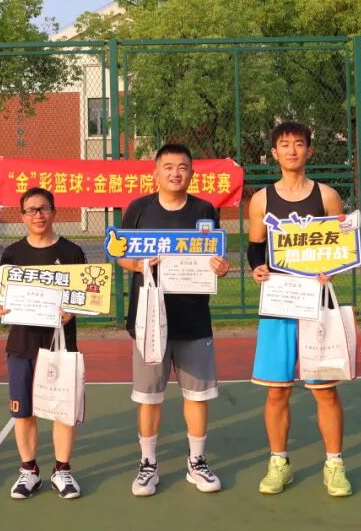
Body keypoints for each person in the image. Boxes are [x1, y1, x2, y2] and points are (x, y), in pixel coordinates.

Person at [116, 144, 231, 497]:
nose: (175, 173)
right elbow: (121, 255)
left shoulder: (204, 210)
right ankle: (148, 464)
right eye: (168, 167)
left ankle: (196, 461)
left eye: (182, 167)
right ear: (155, 173)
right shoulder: (139, 209)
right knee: (149, 396)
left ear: (192, 173)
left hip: (193, 318)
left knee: (197, 394)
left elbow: (215, 257)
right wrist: (142, 265)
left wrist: (221, 268)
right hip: (149, 319)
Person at [246, 122, 351, 497]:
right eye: (285, 145)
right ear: (274, 153)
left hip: (316, 303)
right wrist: (257, 268)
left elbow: (341, 247)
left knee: (325, 391)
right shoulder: (261, 200)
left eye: (299, 144)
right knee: (277, 392)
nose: (292, 150)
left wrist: (333, 268)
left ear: (310, 150)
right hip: (279, 302)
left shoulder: (327, 196)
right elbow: (255, 248)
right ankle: (279, 462)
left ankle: (334, 464)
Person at [0, 187, 84, 500]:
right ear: (22, 216)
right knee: (23, 412)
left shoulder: (73, 253)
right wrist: (1, 309)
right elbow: (2, 300)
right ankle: (29, 471)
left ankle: (62, 470)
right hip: (22, 345)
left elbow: (85, 297)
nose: (38, 215)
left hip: (60, 347)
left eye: (44, 208)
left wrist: (74, 310)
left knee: (63, 412)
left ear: (54, 212)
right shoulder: (11, 255)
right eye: (31, 210)